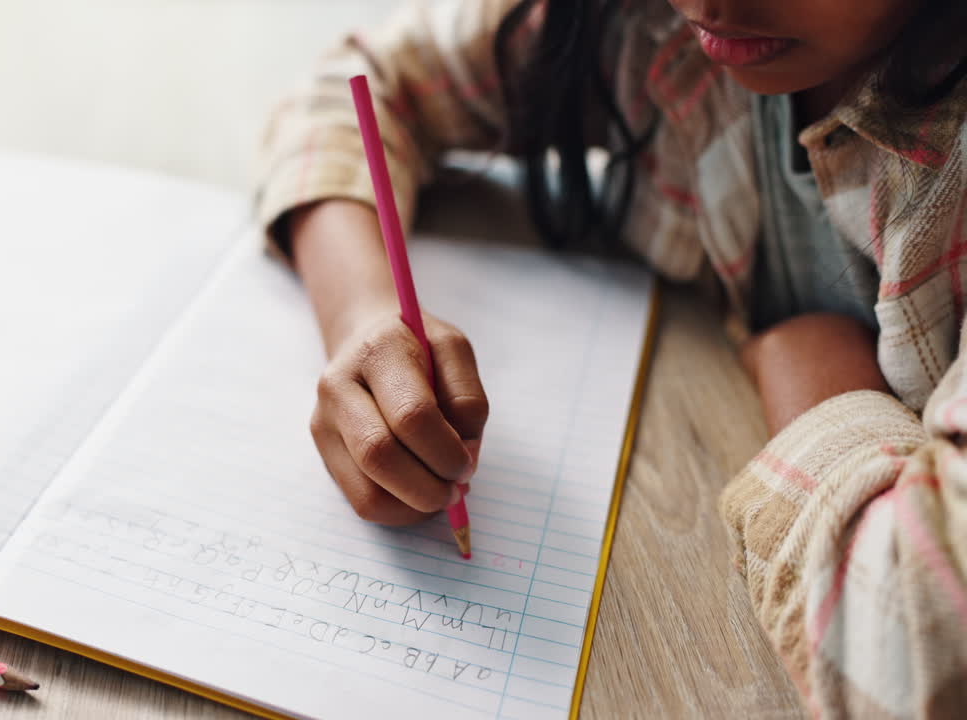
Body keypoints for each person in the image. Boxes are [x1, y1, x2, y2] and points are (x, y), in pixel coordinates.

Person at [255, 0, 967, 715]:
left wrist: (820, 383)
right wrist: (362, 313)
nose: (708, 6)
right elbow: (351, 85)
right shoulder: (637, 23)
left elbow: (924, 661)